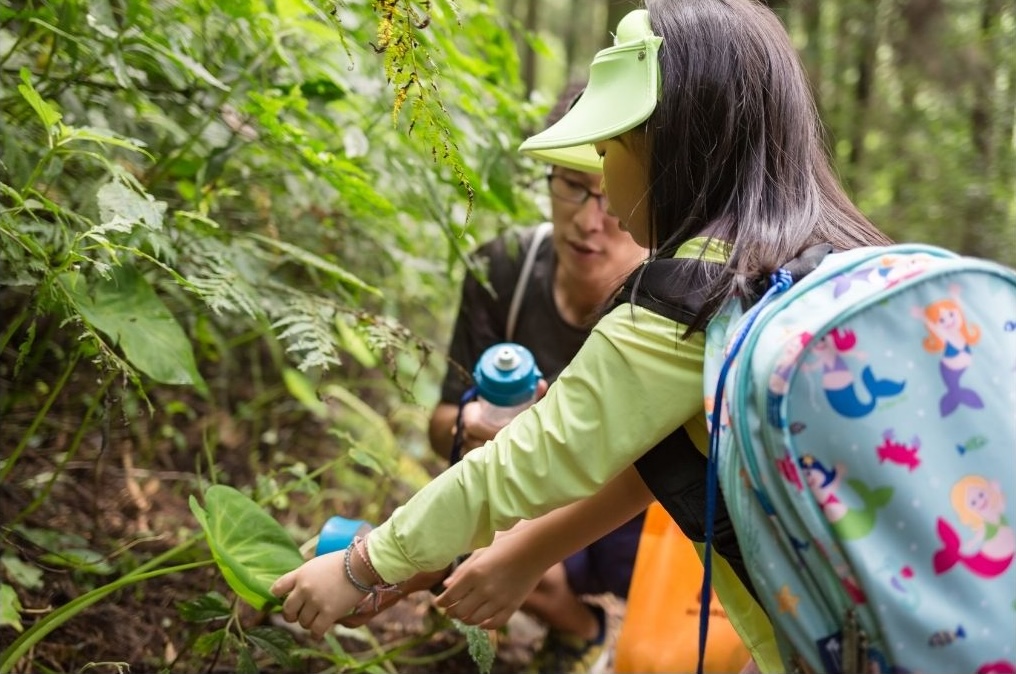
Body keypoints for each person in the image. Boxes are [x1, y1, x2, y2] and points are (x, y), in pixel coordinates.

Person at [270, 2, 893, 673]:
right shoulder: (833, 260)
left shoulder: (693, 300)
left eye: (607, 146)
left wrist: (363, 567)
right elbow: (659, 450)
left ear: (669, 146)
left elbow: (524, 463)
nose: (598, 181)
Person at [342, 84, 650, 673]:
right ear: (549, 180)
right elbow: (441, 426)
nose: (591, 221)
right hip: (515, 496)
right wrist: (473, 424)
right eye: (572, 186)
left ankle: (601, 627)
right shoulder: (504, 268)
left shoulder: (667, 302)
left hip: (635, 522)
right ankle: (578, 628)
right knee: (478, 535)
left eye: (615, 200)